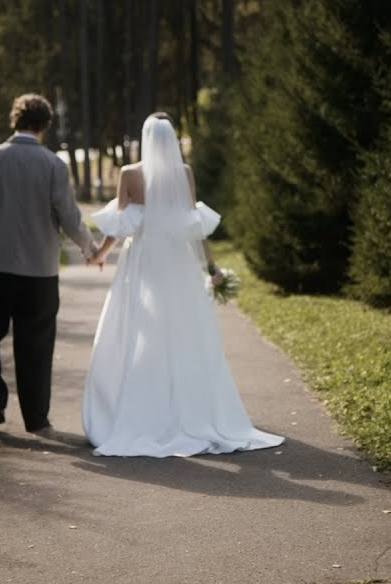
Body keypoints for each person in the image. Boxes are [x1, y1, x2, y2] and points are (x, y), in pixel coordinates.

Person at [81, 113, 284, 457]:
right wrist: (212, 268)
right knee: (182, 335)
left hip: (143, 264)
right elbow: (193, 226)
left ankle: (139, 410)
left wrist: (99, 254)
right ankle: (186, 410)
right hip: (177, 264)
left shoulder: (130, 174)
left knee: (140, 334)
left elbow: (120, 226)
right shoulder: (184, 174)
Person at [0, 93, 98, 433]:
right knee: (36, 346)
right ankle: (36, 418)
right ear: (45, 125)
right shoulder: (54, 165)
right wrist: (90, 248)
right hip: (41, 274)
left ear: (14, 120)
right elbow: (69, 216)